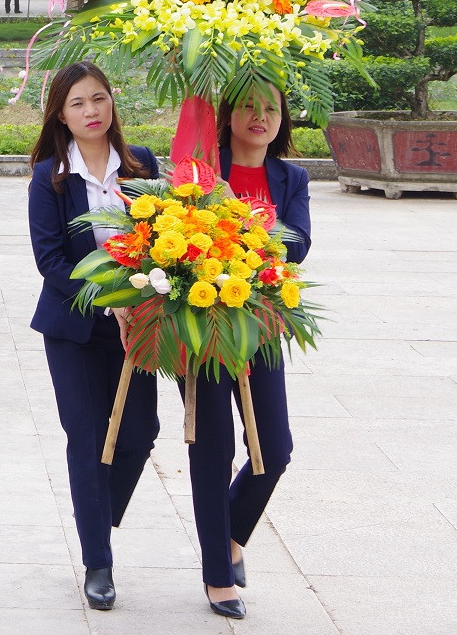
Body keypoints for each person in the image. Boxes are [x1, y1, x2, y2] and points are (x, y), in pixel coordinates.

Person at [27, 61, 161, 612]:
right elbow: (50, 260)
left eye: (99, 99)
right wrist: (108, 302)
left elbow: (167, 236)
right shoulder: (50, 177)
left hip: (142, 324)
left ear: (112, 103)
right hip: (75, 329)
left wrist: (144, 300)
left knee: (139, 434)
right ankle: (98, 562)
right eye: (78, 103)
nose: (91, 111)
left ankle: (95, 515)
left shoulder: (142, 166)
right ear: (61, 113)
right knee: (87, 442)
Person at [187, 83, 310, 620]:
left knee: (275, 449)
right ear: (227, 114)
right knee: (213, 450)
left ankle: (231, 538)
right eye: (248, 106)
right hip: (205, 323)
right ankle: (218, 577)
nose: (260, 117)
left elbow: (299, 243)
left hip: (261, 323)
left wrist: (251, 232)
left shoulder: (292, 177)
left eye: (271, 109)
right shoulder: (203, 169)